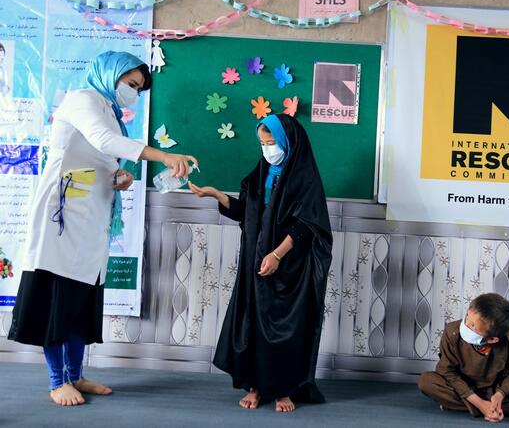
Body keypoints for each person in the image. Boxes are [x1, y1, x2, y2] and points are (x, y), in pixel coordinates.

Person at [8, 51, 198, 406]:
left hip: (92, 218)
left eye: (140, 88)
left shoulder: (111, 113)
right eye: (132, 83)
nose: (135, 93)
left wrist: (119, 176)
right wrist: (164, 156)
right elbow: (102, 140)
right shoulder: (83, 100)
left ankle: (76, 376)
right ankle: (56, 381)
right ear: (109, 74)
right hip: (60, 218)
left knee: (81, 299)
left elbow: (102, 159)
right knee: (56, 297)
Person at [189, 113, 332, 413]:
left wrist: (278, 254)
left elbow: (306, 225)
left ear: (288, 142)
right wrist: (216, 195)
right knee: (252, 322)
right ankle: (255, 386)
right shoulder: (260, 174)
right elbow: (246, 211)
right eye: (263, 144)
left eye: (272, 143)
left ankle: (283, 389)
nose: (268, 149)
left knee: (285, 327)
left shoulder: (304, 178)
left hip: (289, 267)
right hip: (256, 263)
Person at [418, 293, 509, 422]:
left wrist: (500, 395)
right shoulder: (452, 332)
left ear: (492, 339)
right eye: (466, 318)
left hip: (493, 388)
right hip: (462, 387)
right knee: (426, 381)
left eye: (473, 326)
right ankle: (491, 408)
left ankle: (476, 405)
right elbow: (447, 371)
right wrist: (479, 403)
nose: (465, 326)